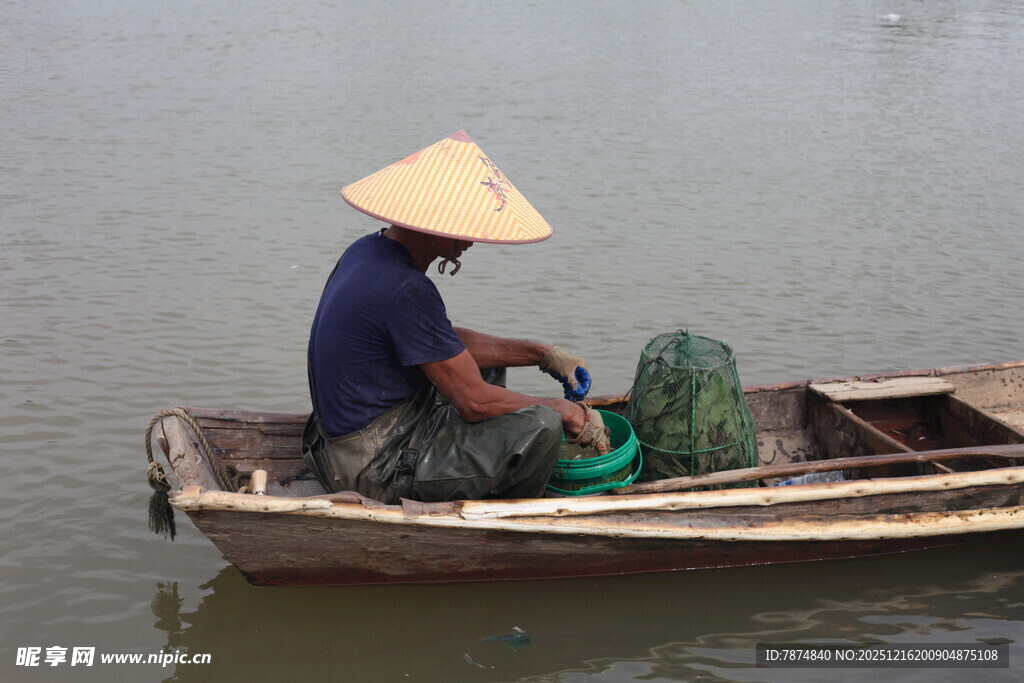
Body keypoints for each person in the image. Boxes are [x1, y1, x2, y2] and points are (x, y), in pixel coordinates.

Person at [302, 130, 610, 504]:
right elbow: (474, 403)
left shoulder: (368, 250)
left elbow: (440, 342)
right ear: (435, 227)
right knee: (541, 426)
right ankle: (514, 515)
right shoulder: (406, 289)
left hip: (331, 444)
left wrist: (543, 354)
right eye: (465, 227)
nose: (472, 239)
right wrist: (563, 410)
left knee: (482, 370)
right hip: (369, 466)